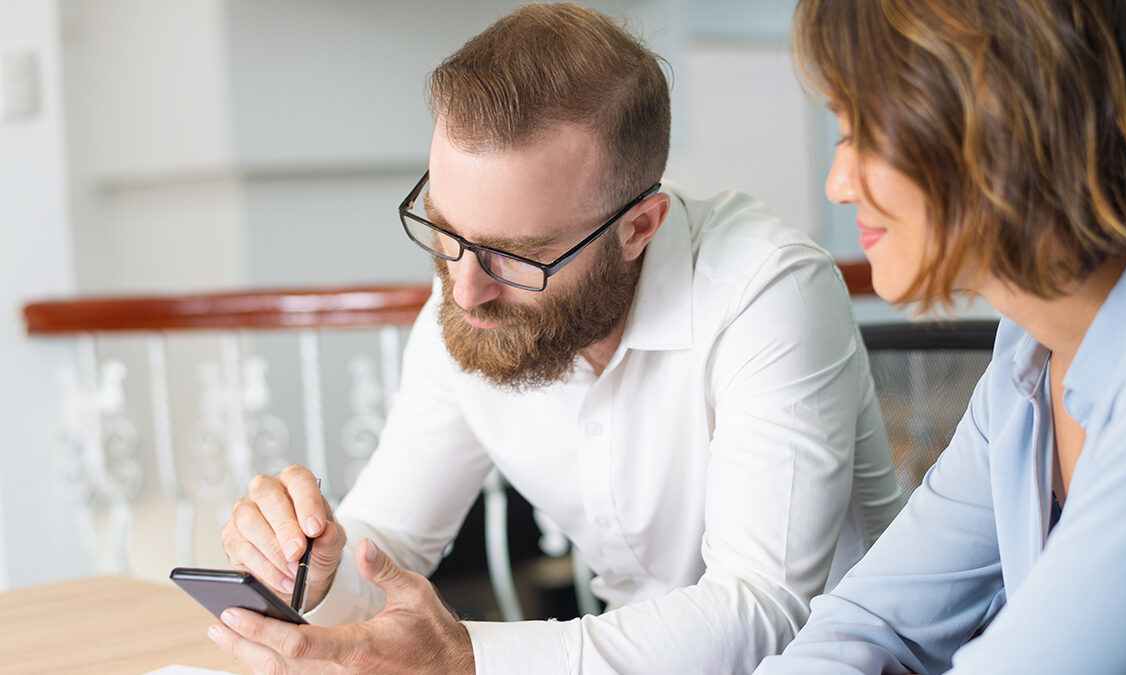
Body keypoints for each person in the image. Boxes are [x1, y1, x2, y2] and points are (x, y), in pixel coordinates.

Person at [207, 3, 903, 673]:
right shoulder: (473, 300)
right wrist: (319, 564)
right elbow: (385, 541)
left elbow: (761, 613)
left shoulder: (769, 289)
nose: (465, 288)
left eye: (517, 255)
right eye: (446, 231)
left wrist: (470, 660)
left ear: (640, 228)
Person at [755, 0, 1126, 673]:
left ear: (990, 115)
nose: (838, 183)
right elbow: (873, 621)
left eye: (863, 133)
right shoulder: (1028, 345)